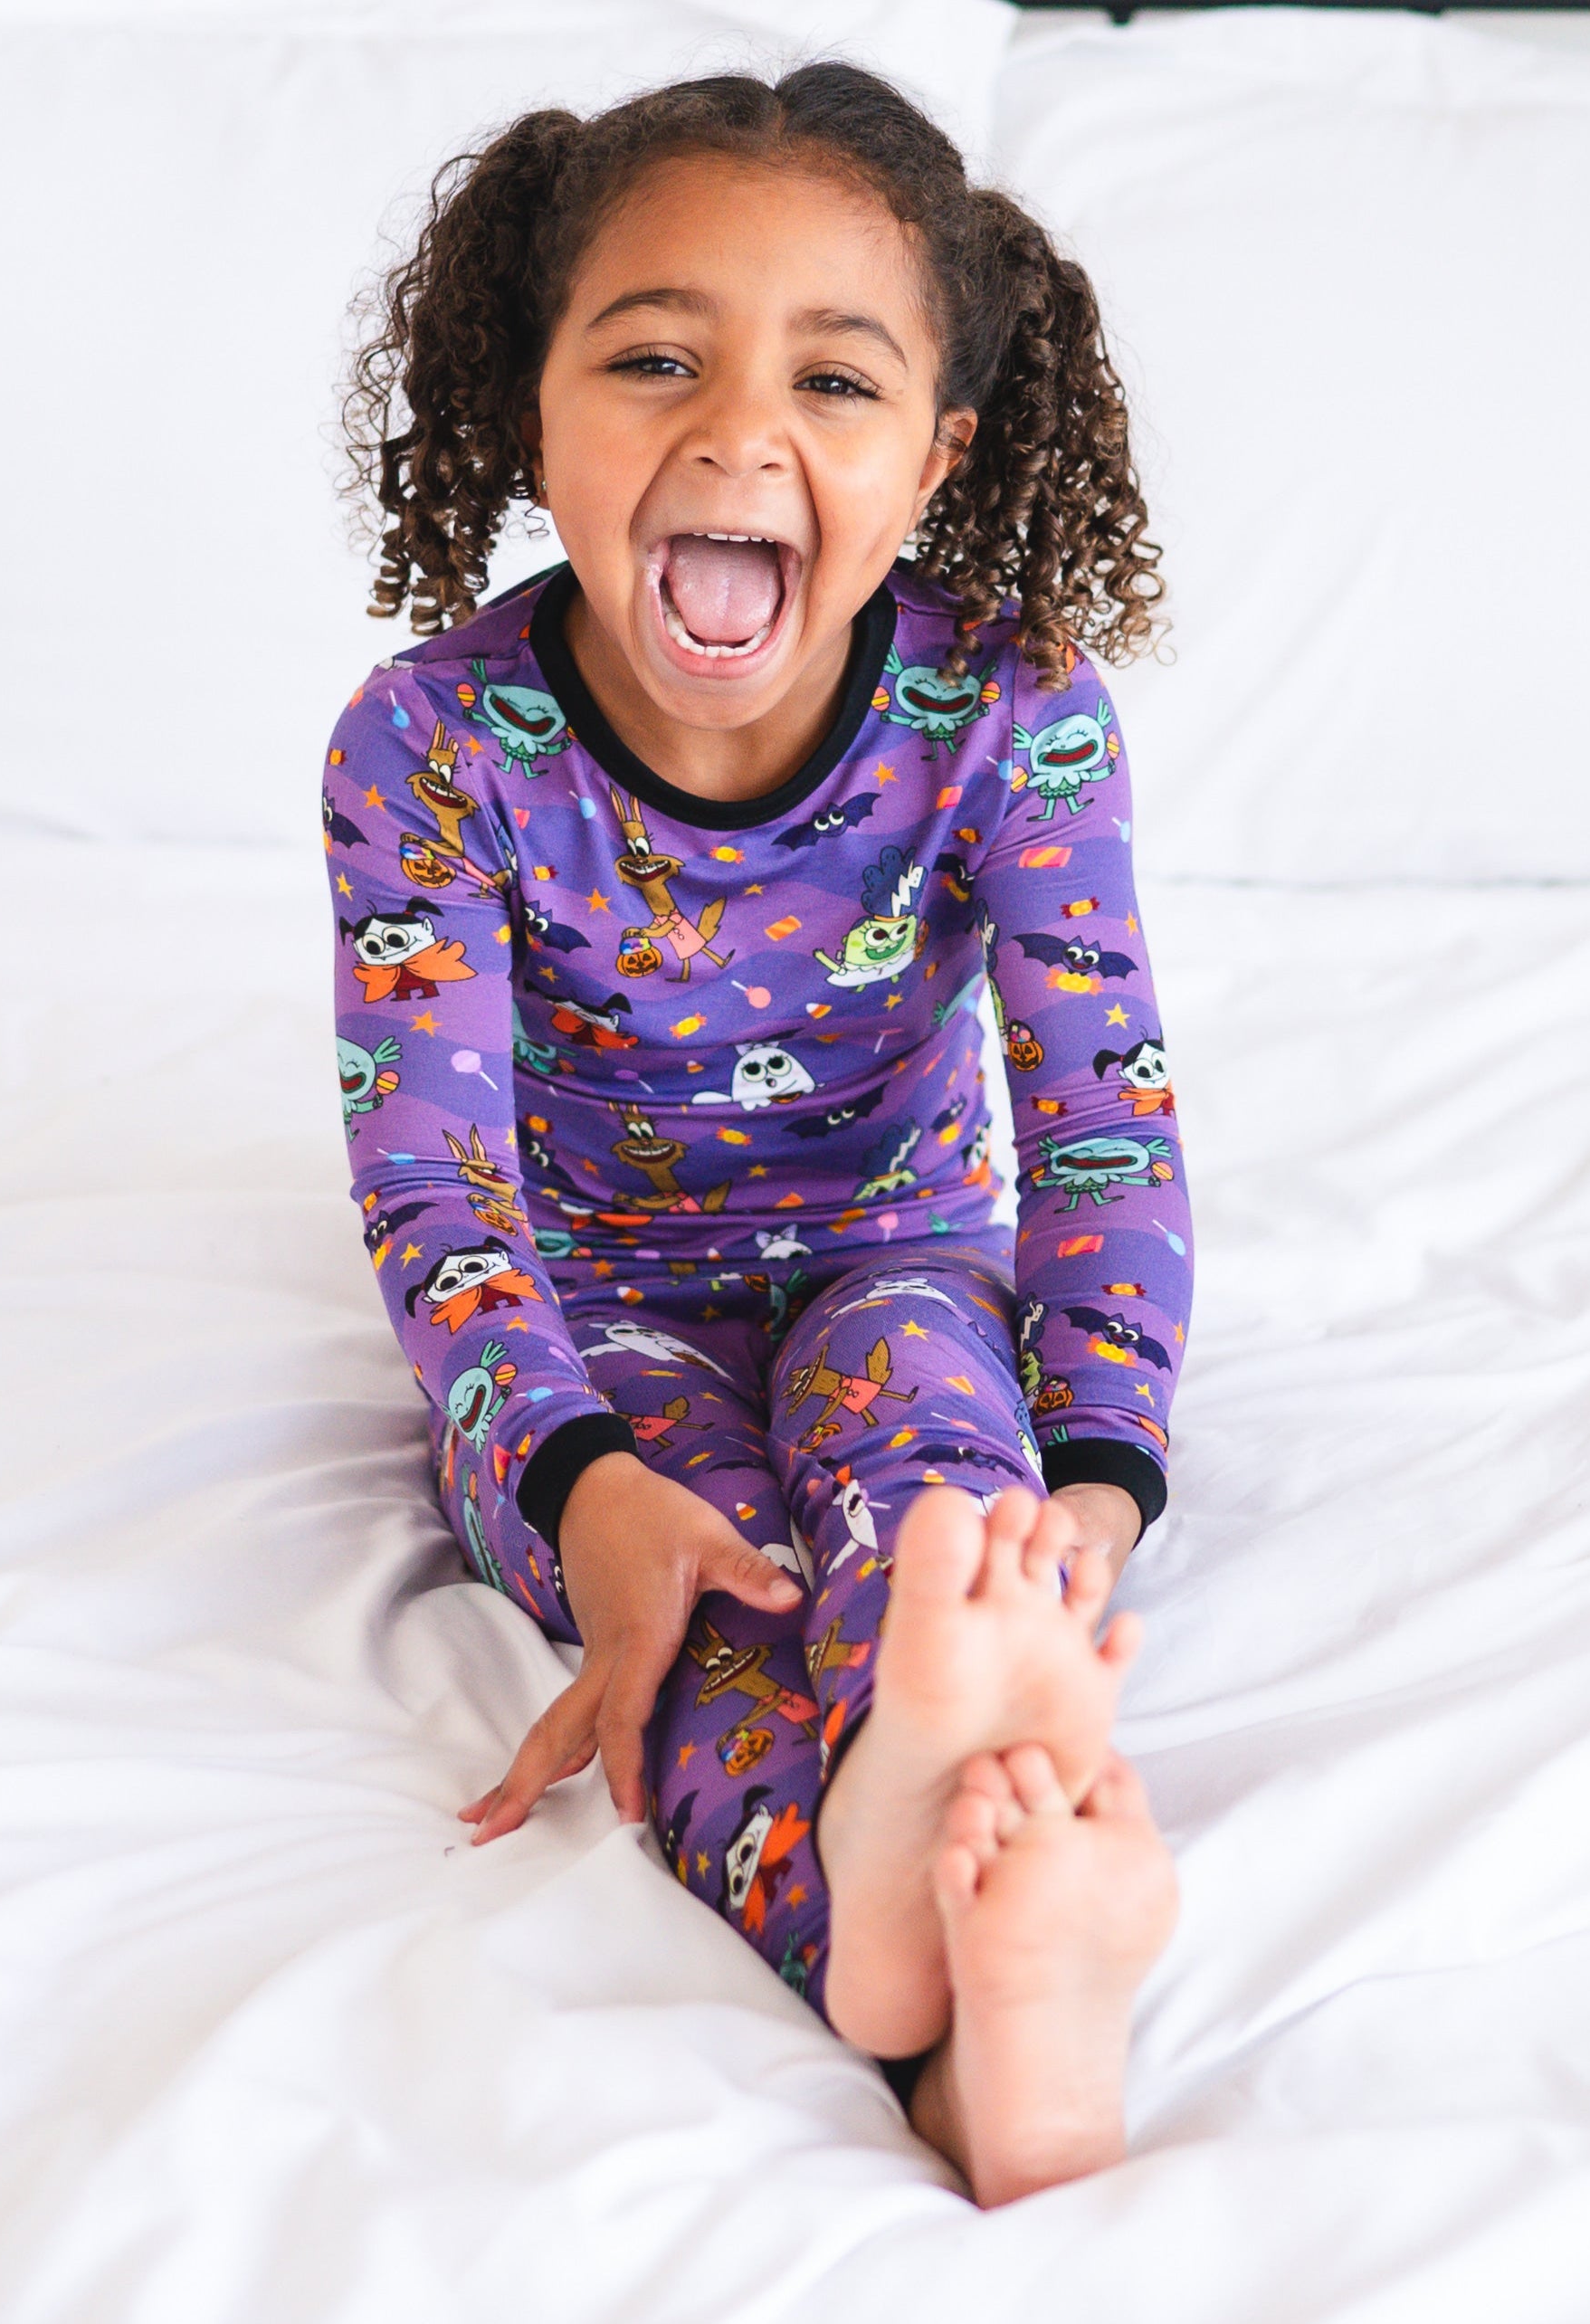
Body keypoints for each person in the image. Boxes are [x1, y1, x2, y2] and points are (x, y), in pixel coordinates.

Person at [326, 60, 1192, 2209]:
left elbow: (1101, 1117)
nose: (738, 432)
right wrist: (573, 1480)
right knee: (693, 1631)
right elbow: (432, 1185)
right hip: (590, 1324)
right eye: (652, 360)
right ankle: (931, 2001)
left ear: (935, 455)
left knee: (936, 1495)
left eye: (835, 376)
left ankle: (958, 1796)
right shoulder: (433, 747)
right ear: (535, 417)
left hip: (900, 1254)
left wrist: (1092, 1482)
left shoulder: (1010, 709)